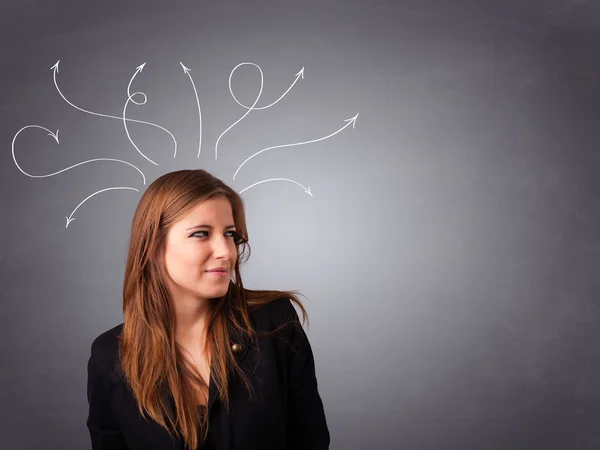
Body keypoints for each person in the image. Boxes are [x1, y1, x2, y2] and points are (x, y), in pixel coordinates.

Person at [86, 169, 330, 450]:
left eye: (230, 235)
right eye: (201, 234)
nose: (226, 252)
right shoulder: (110, 356)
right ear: (152, 246)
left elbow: (310, 440)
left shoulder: (273, 322)